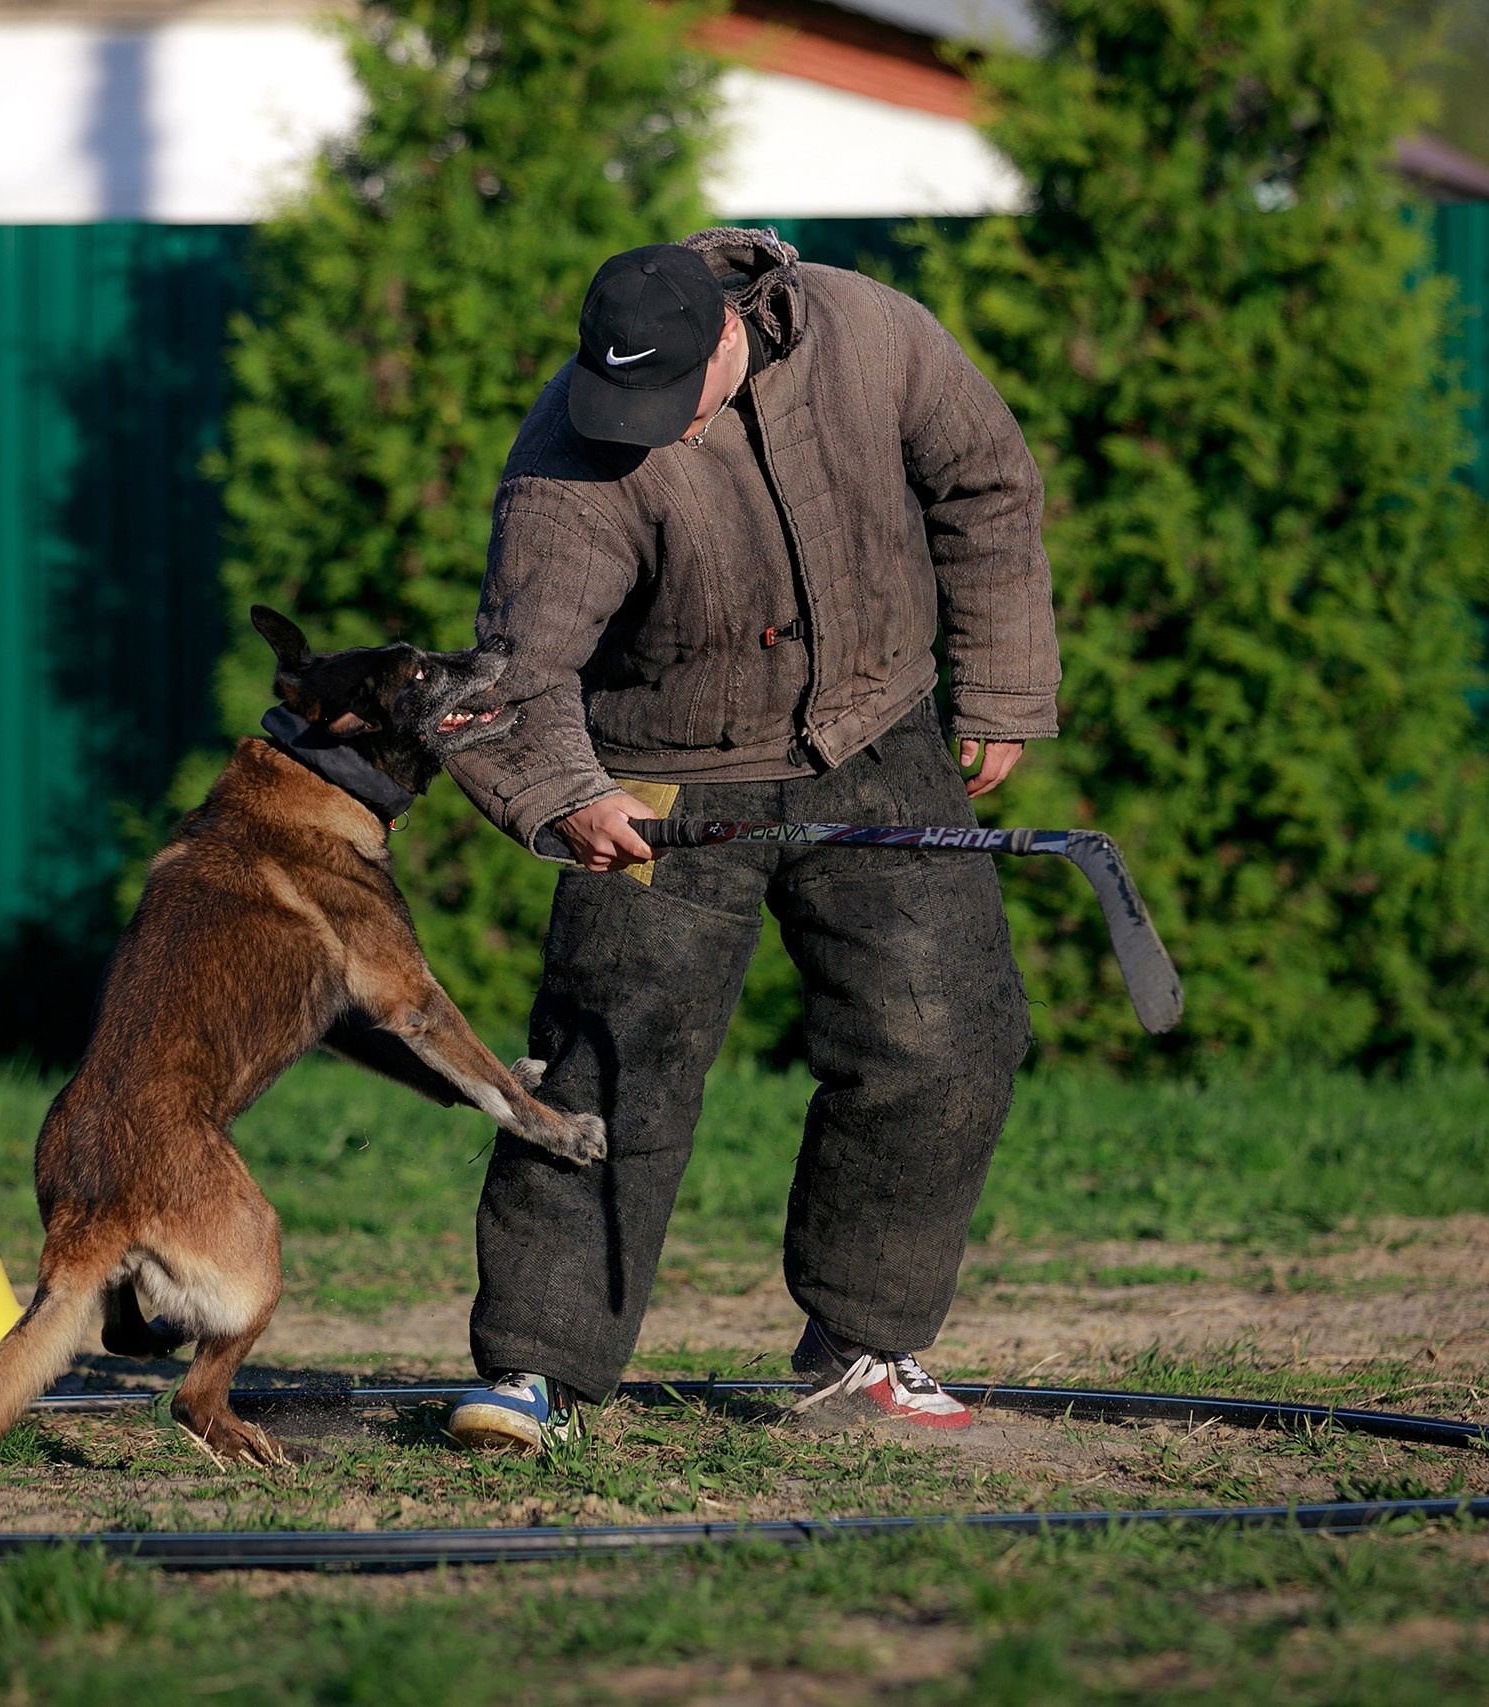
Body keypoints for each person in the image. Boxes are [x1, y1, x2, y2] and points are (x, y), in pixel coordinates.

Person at [441, 229, 1060, 1451]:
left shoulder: (872, 333)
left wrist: (999, 685)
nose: (650, 425)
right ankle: (535, 1375)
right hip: (659, 775)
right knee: (610, 1070)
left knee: (944, 1042)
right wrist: (569, 793)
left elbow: (987, 484)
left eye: (669, 395)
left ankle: (861, 1350)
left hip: (876, 739)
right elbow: (515, 671)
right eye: (624, 399)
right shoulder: (571, 449)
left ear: (730, 330)